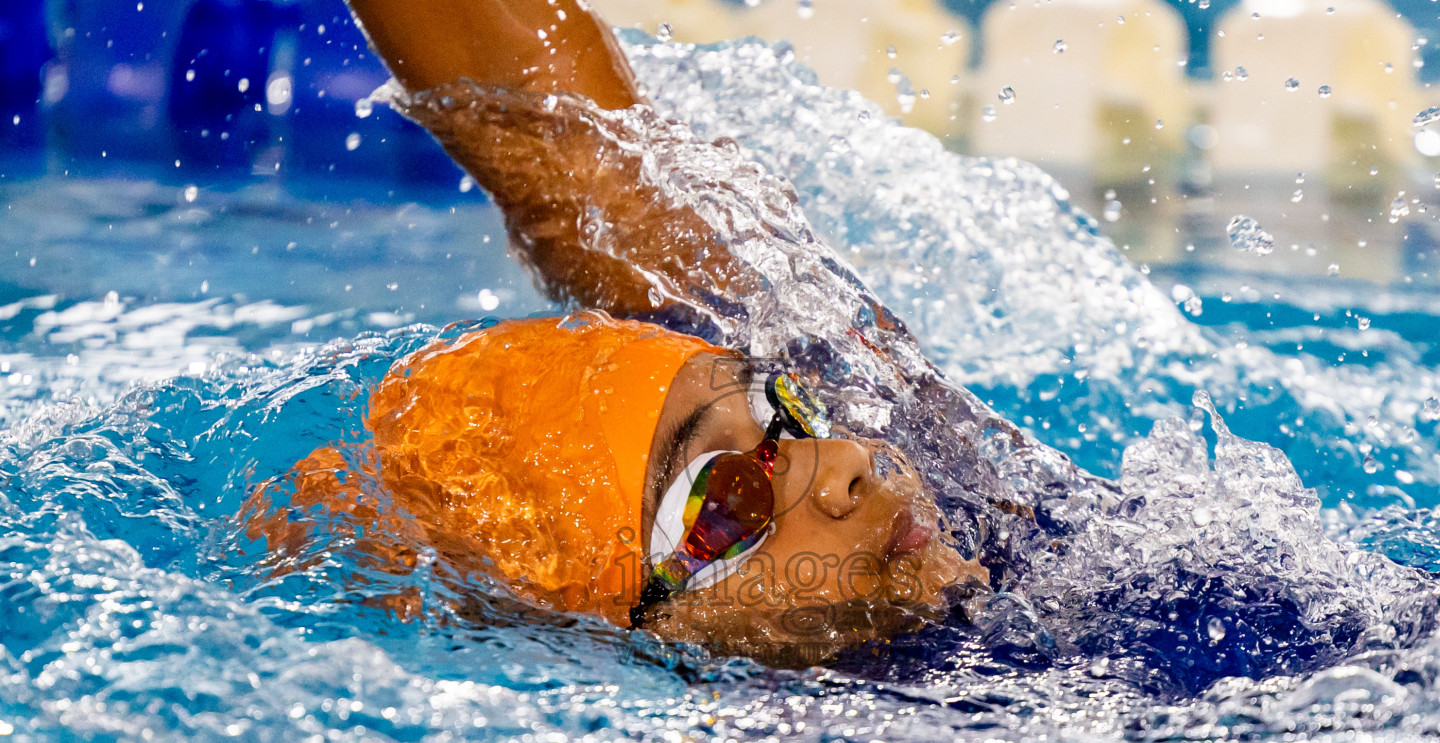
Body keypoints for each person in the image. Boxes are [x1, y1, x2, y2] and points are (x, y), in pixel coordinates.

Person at [247, 0, 988, 666]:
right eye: (726, 498)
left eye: (788, 409)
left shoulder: (977, 498)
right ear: (634, 625)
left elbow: (575, 168)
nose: (845, 458)